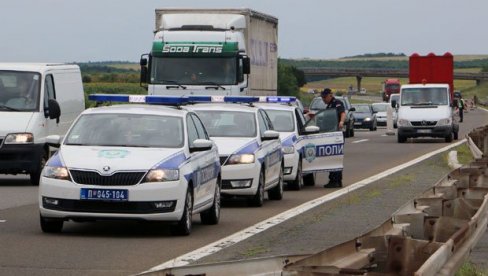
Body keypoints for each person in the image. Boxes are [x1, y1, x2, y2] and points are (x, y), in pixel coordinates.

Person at [321, 88, 346, 188]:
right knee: (335, 158)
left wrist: (341, 122)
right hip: (331, 134)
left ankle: (334, 180)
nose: (323, 99)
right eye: (322, 97)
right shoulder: (328, 106)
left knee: (334, 158)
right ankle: (337, 180)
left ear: (330, 95)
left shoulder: (337, 103)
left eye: (324, 97)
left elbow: (343, 113)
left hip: (336, 134)